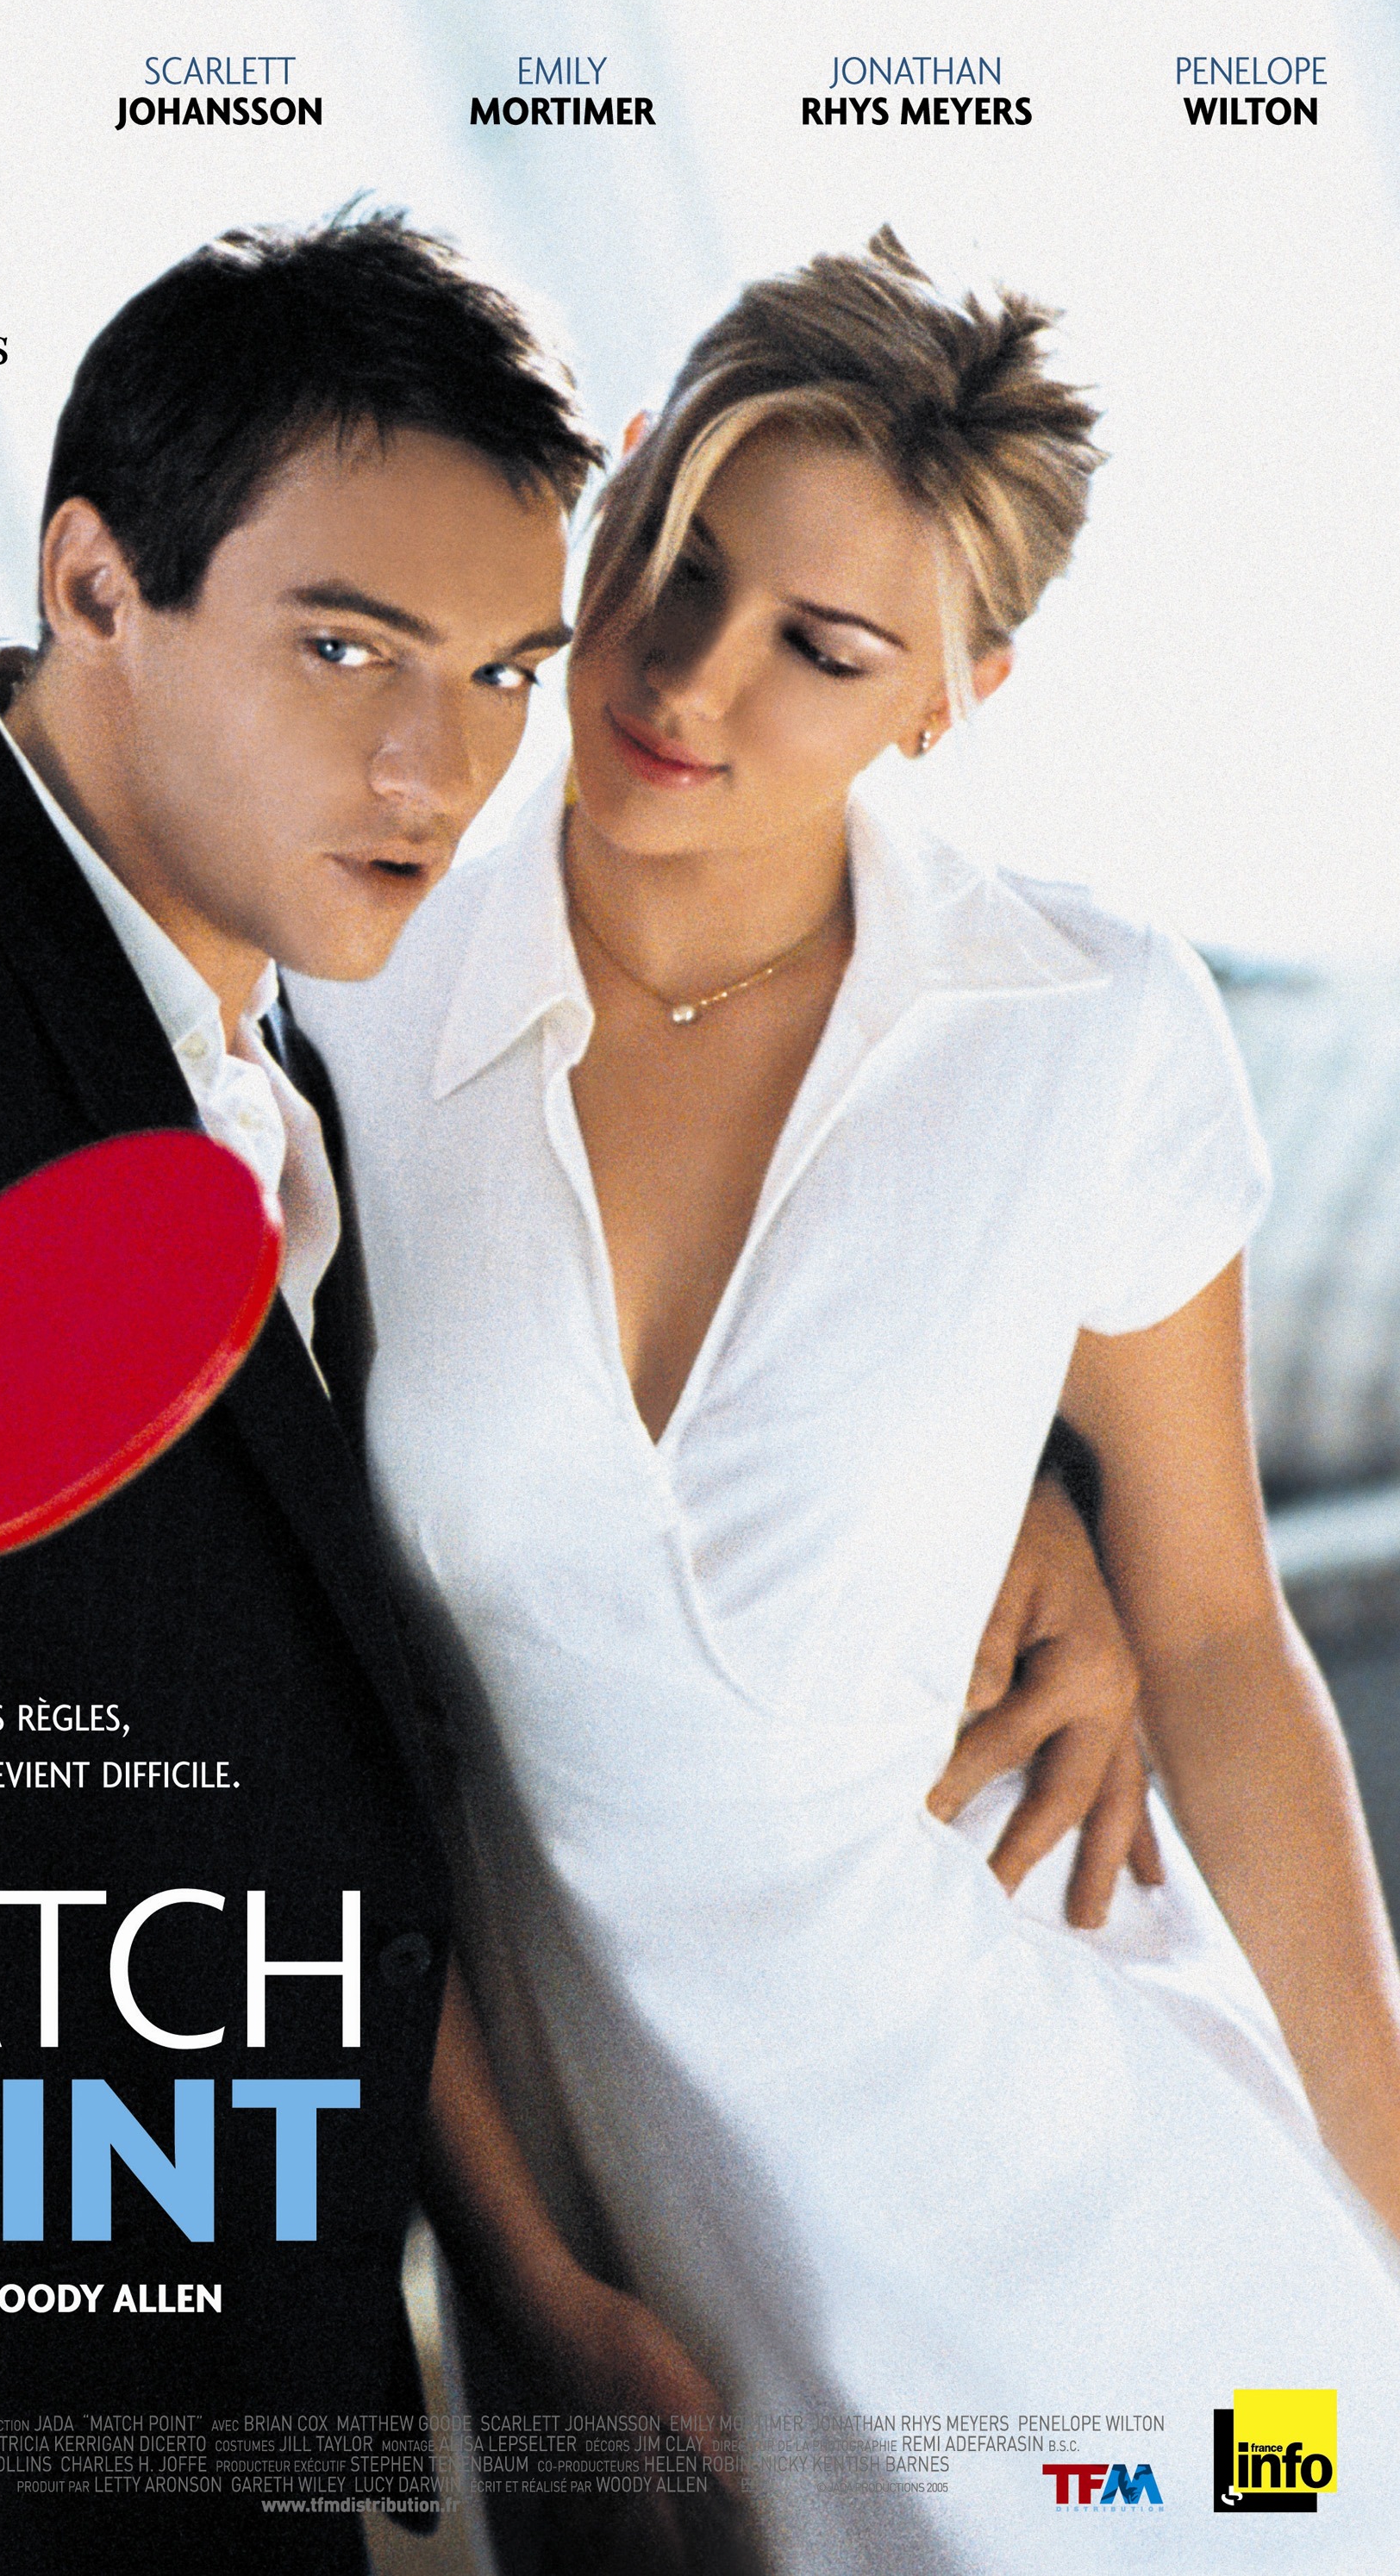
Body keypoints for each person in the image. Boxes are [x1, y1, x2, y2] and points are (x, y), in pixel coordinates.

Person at [0, 214, 1147, 2572]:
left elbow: (407, 1566)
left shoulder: (276, 962)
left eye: (500, 672)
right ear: (97, 584)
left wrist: (1028, 1487)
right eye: (345, 648)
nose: (434, 765)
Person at [291, 231, 1400, 2572]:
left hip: (1141, 2292)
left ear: (956, 697)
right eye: (677, 558)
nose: (687, 677)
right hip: (671, 2299)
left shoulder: (1087, 1027)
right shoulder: (352, 993)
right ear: (605, 503)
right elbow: (333, 1699)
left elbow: (1219, 1639)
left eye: (825, 646)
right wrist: (521, 2278)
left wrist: (1390, 2206)